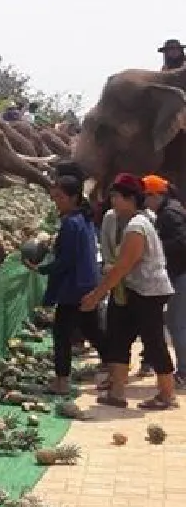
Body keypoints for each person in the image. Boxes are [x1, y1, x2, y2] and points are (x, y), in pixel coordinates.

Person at [83, 173, 178, 409]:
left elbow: (122, 267)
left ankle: (167, 394)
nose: (113, 201)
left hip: (148, 292)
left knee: (153, 340)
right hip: (129, 290)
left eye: (117, 197)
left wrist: (96, 295)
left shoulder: (138, 226)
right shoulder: (117, 221)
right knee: (118, 337)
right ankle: (117, 392)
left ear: (130, 199)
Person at [24, 175, 105, 395]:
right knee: (92, 329)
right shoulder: (84, 218)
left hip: (74, 287)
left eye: (59, 197)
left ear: (73, 197)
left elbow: (66, 261)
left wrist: (40, 269)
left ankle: (61, 382)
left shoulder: (71, 222)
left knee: (61, 334)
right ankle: (114, 365)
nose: (56, 201)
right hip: (88, 282)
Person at [143, 174, 186, 388]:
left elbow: (181, 241)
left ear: (156, 195)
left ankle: (184, 372)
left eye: (146, 196)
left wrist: (155, 248)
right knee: (174, 322)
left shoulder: (170, 214)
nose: (144, 201)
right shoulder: (171, 209)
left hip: (182, 274)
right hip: (178, 273)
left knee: (177, 324)